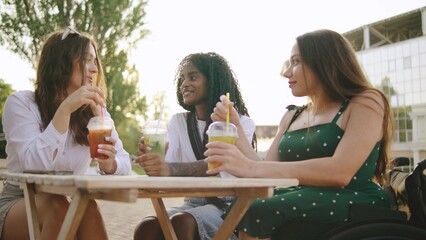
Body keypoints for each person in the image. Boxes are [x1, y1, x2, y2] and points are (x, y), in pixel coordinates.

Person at [204, 29, 394, 240]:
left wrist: (250, 166)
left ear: (324, 62)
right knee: (247, 203)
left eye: (295, 62)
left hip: (355, 199)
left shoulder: (366, 101)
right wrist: (236, 127)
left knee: (259, 208)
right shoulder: (292, 115)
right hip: (300, 197)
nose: (287, 72)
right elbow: (266, 170)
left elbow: (341, 172)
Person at [0, 26, 131, 240]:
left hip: (68, 200)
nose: (94, 69)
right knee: (57, 205)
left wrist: (110, 164)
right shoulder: (22, 103)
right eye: (86, 59)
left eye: (95, 61)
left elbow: (124, 161)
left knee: (87, 207)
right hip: (20, 201)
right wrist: (65, 109)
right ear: (60, 63)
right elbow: (35, 164)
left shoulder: (95, 113)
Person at [133, 52, 257, 240]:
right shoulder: (178, 122)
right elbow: (169, 167)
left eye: (193, 77)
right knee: (146, 227)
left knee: (182, 222)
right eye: (182, 79)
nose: (184, 84)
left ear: (213, 81)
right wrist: (153, 162)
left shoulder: (240, 124)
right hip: (192, 204)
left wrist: (169, 169)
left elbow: (219, 165)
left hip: (229, 208)